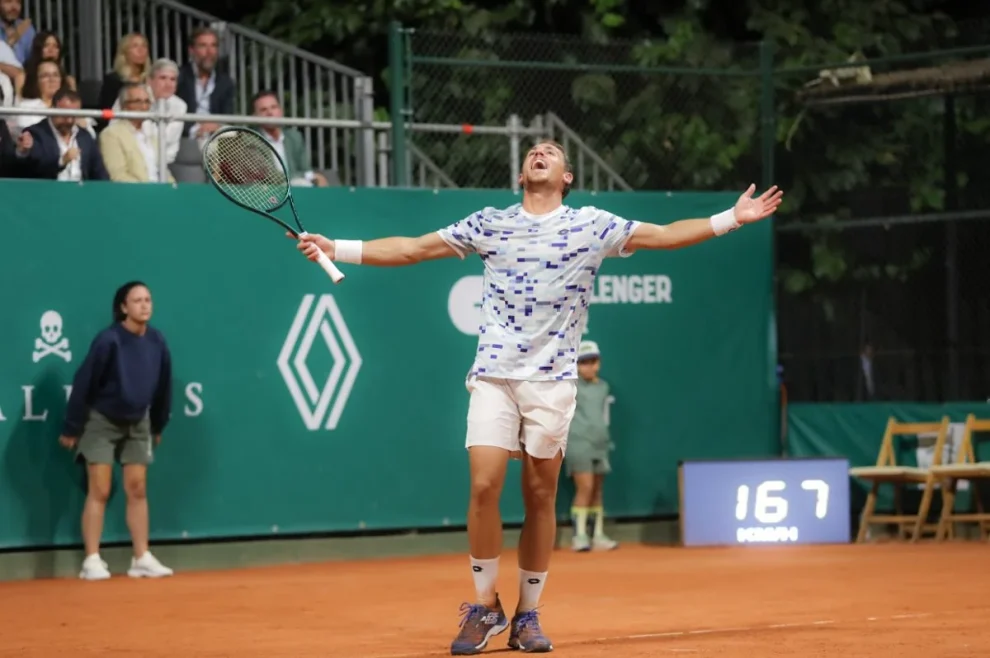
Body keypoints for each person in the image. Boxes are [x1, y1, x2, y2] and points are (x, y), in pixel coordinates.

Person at [292, 140, 783, 655]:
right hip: (493, 375)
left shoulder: (592, 225)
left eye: (550, 150)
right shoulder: (489, 223)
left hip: (552, 382)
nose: (539, 152)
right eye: (532, 151)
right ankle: (484, 606)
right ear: (523, 174)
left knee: (540, 495)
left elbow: (663, 236)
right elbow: (414, 247)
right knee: (484, 485)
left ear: (567, 176)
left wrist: (733, 217)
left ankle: (528, 614)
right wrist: (338, 248)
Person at [58, 281, 175, 581]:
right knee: (100, 489)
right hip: (102, 421)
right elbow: (84, 383)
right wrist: (72, 427)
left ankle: (141, 558)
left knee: (137, 488)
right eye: (137, 300)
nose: (144, 305)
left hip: (139, 422)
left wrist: (157, 424)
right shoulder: (108, 341)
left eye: (148, 299)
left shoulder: (157, 342)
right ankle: (92, 560)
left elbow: (163, 388)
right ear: (123, 307)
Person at [565, 340, 619, 552]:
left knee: (597, 490)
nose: (589, 366)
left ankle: (598, 535)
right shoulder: (571, 385)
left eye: (593, 361)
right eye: (584, 362)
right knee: (585, 487)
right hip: (578, 443)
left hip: (600, 444)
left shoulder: (604, 387)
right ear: (576, 365)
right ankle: (579, 536)